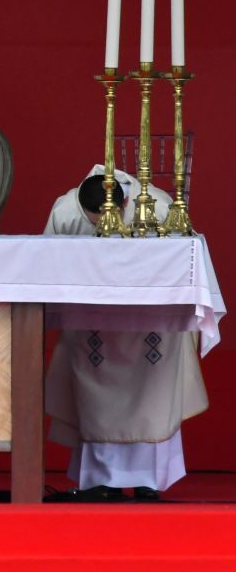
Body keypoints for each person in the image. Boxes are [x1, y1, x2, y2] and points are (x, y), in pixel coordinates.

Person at [44, 169, 206, 501]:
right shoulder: (65, 212)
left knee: (154, 397)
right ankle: (101, 479)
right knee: (95, 401)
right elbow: (46, 266)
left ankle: (150, 479)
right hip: (92, 331)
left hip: (152, 332)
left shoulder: (160, 208)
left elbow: (188, 263)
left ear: (128, 201)